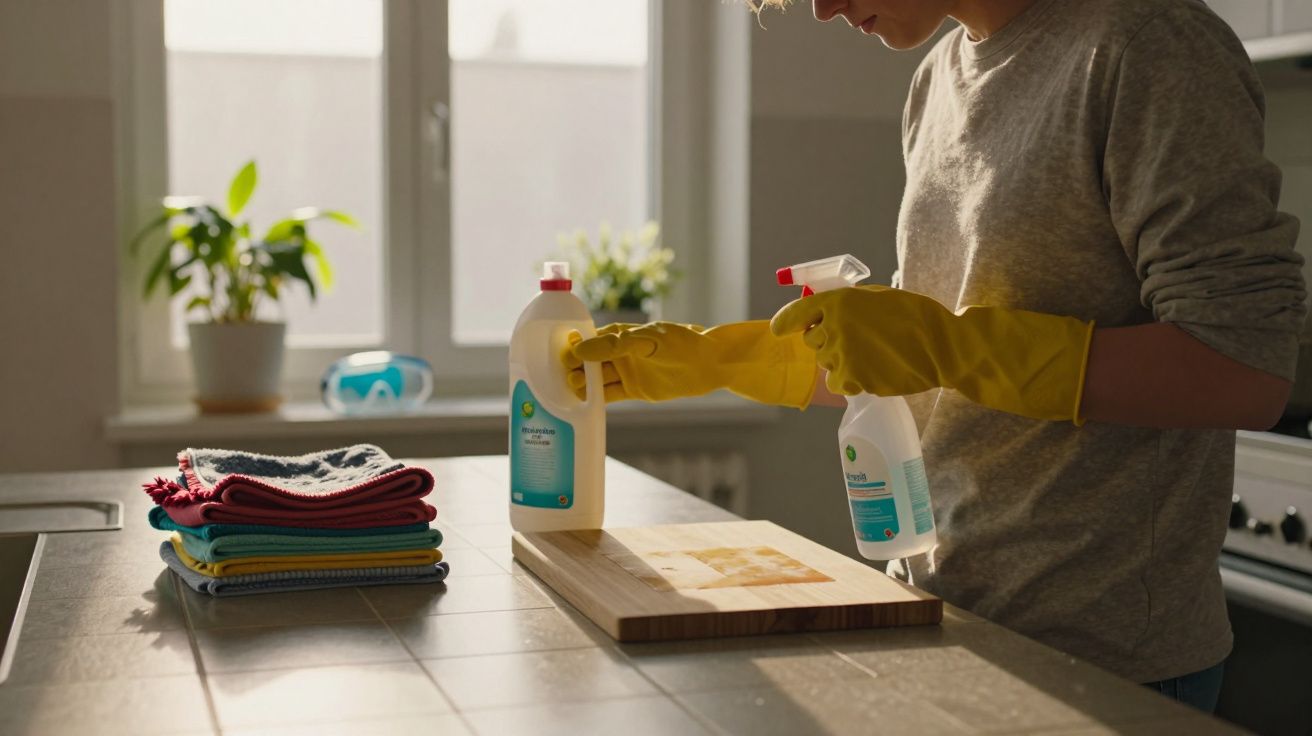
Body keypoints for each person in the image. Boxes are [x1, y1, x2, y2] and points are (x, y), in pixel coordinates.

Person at [563, 0, 1308, 713]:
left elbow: (1243, 366)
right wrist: (719, 361)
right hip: (941, 609)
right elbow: (924, 362)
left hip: (1103, 651)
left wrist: (947, 346)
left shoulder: (1148, 44)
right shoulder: (936, 80)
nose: (822, 9)